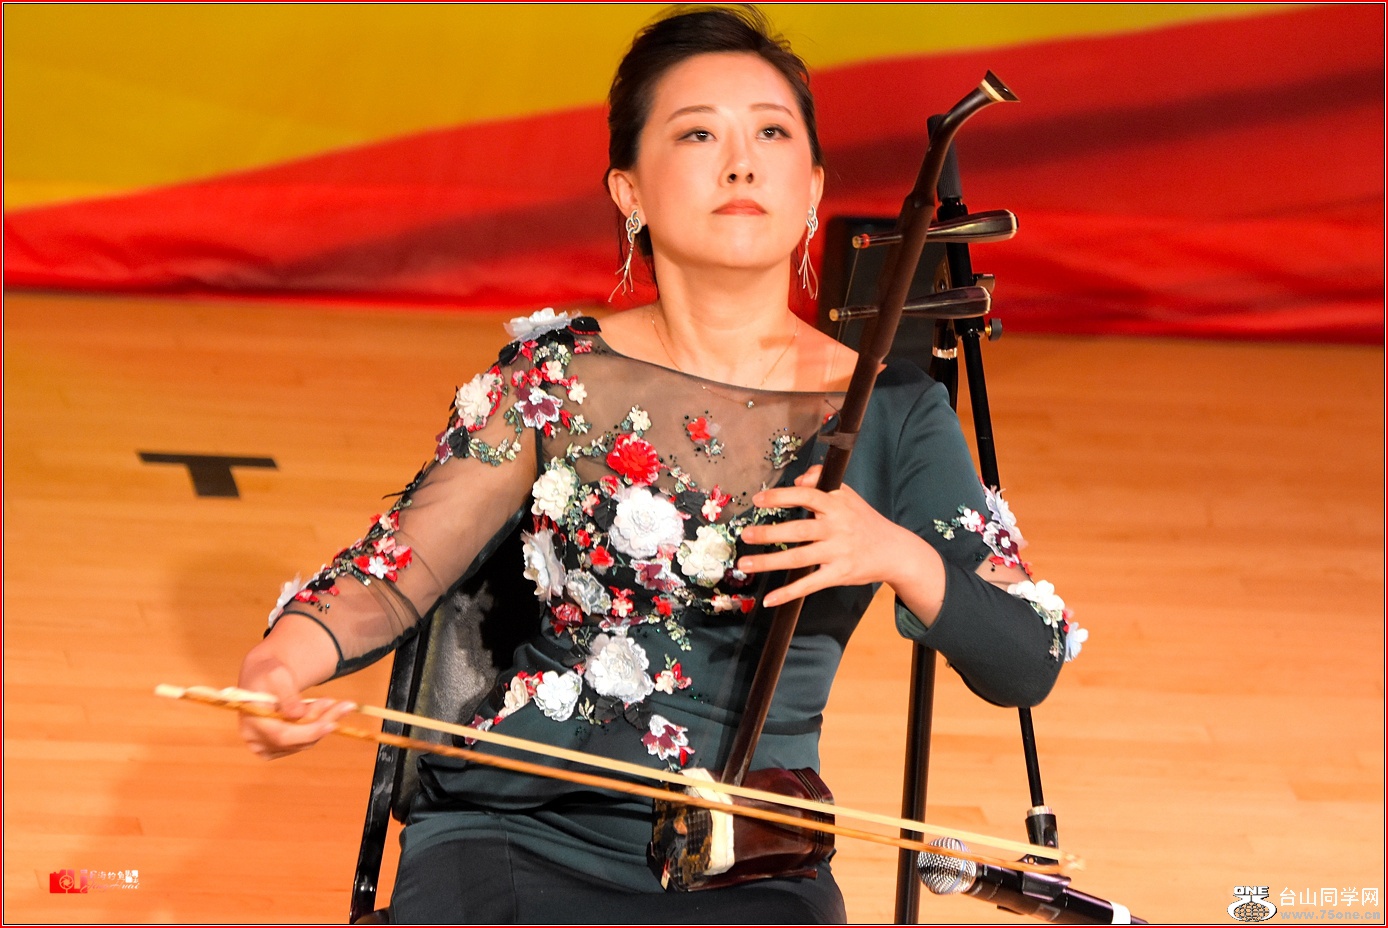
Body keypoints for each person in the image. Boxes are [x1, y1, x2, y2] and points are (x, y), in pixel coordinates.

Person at [238, 6, 1079, 923]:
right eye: (698, 134)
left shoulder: (893, 412)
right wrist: (280, 667)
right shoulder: (554, 380)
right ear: (629, 191)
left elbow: (1026, 660)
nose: (741, 163)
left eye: (771, 132)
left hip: (748, 860)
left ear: (812, 187)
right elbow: (398, 568)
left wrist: (895, 553)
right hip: (519, 828)